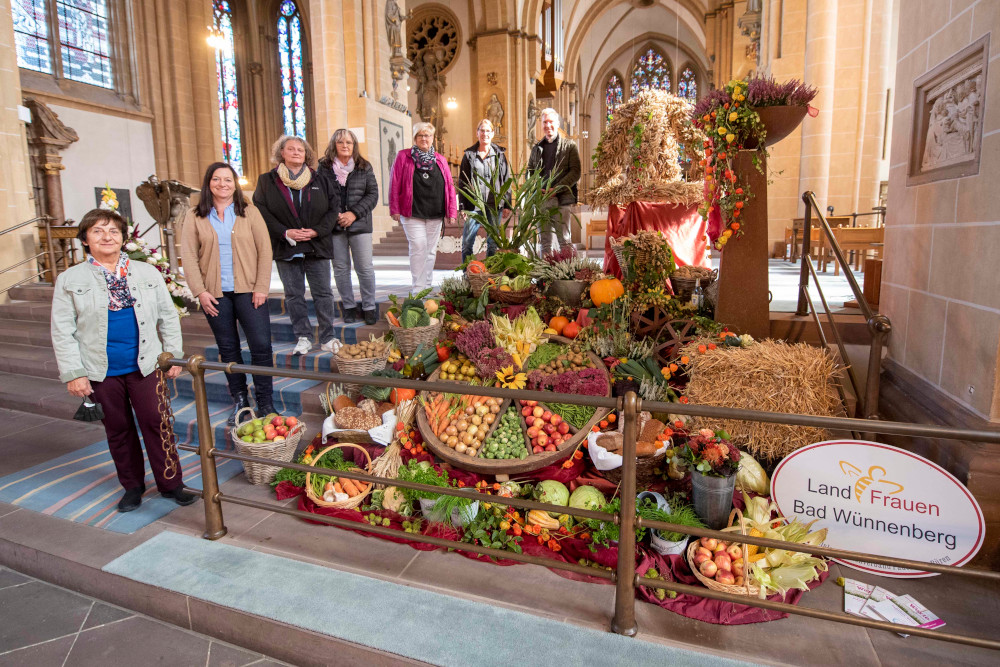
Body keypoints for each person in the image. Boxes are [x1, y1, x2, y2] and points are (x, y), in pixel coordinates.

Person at [51, 208, 194, 513]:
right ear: (86, 239)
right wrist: (73, 373)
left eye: (114, 231)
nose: (107, 237)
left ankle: (172, 483)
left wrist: (174, 355)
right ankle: (132, 486)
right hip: (101, 370)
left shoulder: (147, 272)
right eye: (98, 231)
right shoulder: (70, 279)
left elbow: (169, 316)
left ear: (123, 238)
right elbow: (62, 331)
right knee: (118, 429)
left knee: (158, 423)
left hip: (146, 365)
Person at [181, 162, 275, 426]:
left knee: (260, 346)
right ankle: (241, 400)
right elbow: (188, 255)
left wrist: (261, 286)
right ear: (208, 183)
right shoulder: (195, 215)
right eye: (216, 179)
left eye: (228, 179)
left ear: (235, 184)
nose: (222, 184)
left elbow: (265, 250)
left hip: (250, 291)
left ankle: (266, 401)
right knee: (228, 348)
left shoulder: (250, 212)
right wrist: (199, 291)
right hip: (215, 294)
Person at [253, 136, 338, 355]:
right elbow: (261, 210)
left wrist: (317, 230)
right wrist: (285, 232)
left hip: (316, 245)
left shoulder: (320, 179)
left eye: (300, 149)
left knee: (324, 293)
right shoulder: (267, 181)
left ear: (306, 154)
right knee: (293, 294)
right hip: (286, 245)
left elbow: (333, 208)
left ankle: (328, 337)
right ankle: (304, 336)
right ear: (281, 153)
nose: (296, 152)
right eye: (290, 149)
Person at [319, 129, 380, 325]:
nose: (345, 146)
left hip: (360, 224)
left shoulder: (364, 166)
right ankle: (349, 306)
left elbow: (372, 195)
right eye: (340, 142)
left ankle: (369, 306)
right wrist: (335, 214)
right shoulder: (324, 167)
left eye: (349, 142)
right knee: (340, 268)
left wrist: (353, 213)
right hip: (335, 226)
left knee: (365, 268)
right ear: (333, 145)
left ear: (354, 145)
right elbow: (320, 194)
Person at [389, 122, 457, 291]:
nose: (424, 139)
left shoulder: (440, 160)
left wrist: (451, 211)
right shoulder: (403, 156)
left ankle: (427, 285)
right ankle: (418, 286)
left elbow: (449, 186)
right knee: (419, 246)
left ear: (433, 138)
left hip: (435, 211)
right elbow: (394, 182)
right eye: (421, 135)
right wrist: (394, 208)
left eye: (427, 135)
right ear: (415, 138)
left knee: (431, 250)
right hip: (412, 211)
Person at [526, 108, 581, 256]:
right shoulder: (536, 148)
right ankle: (546, 276)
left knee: (564, 239)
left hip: (562, 199)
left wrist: (557, 189)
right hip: (542, 199)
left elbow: (575, 172)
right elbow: (529, 172)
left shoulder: (569, 146)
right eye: (545, 122)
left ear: (557, 124)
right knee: (544, 241)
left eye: (551, 122)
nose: (548, 125)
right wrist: (537, 188)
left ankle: (568, 275)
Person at [458, 119, 512, 263]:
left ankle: (490, 276)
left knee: (492, 243)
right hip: (473, 205)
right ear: (477, 133)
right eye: (482, 130)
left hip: (494, 205)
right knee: (467, 242)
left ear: (492, 133)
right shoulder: (469, 155)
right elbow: (462, 182)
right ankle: (466, 274)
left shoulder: (499, 154)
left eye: (488, 131)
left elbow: (506, 179)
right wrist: (462, 207)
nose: (485, 134)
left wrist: (507, 204)